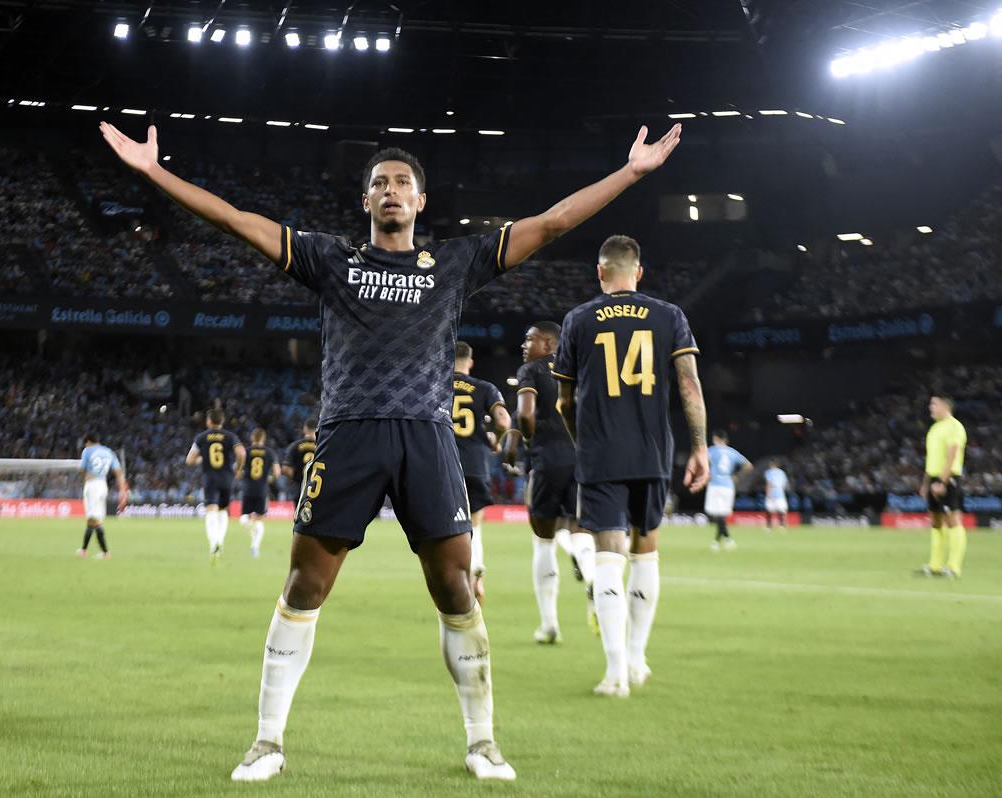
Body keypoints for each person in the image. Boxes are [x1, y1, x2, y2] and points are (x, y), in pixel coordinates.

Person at [100, 116, 681, 782]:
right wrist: (152, 172)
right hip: (347, 433)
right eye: (380, 183)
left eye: (404, 182)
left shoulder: (456, 264)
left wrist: (631, 173)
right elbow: (237, 220)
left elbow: (551, 222)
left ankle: (482, 740)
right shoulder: (331, 259)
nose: (392, 190)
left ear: (421, 201)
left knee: (457, 588)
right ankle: (266, 740)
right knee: (302, 584)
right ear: (367, 201)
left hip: (427, 436)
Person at [554, 234, 709, 697]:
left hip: (601, 455)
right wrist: (699, 446)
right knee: (646, 551)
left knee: (607, 558)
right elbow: (689, 386)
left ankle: (615, 671)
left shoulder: (579, 319)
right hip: (652, 452)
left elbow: (564, 401)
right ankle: (639, 658)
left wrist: (584, 440)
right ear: (638, 272)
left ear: (600, 272)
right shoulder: (669, 316)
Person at [506, 321, 593, 644]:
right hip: (583, 459)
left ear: (546, 342)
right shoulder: (582, 366)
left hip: (548, 457)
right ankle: (594, 579)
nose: (524, 346)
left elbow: (525, 415)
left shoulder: (532, 370)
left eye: (529, 339)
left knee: (543, 539)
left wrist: (528, 444)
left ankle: (549, 624)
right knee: (578, 528)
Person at [452, 340, 512, 602]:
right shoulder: (485, 387)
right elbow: (503, 420)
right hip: (476, 464)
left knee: (448, 527)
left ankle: (458, 579)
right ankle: (476, 567)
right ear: (471, 361)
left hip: (443, 463)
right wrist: (496, 441)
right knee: (475, 523)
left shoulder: (434, 386)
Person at [916, 395, 968, 578]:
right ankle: (935, 565)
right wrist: (925, 484)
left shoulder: (954, 426)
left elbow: (952, 455)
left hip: (948, 478)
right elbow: (932, 459)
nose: (930, 407)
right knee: (936, 522)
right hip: (933, 477)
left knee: (952, 520)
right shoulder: (934, 428)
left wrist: (942, 481)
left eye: (934, 404)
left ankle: (954, 567)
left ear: (945, 406)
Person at [186, 409, 246, 562]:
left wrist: (202, 459)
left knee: (211, 510)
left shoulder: (201, 437)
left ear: (208, 421)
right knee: (223, 510)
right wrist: (238, 469)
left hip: (210, 477)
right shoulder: (230, 436)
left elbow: (189, 460)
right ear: (222, 421)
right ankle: (220, 541)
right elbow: (241, 453)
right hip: (227, 477)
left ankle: (214, 545)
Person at [77, 434, 129, 560]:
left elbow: (81, 469)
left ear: (88, 442)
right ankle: (83, 550)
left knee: (94, 520)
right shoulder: (109, 452)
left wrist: (85, 473)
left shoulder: (87, 450)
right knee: (93, 519)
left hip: (92, 485)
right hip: (102, 485)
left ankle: (106, 552)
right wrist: (123, 491)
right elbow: (118, 472)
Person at [705, 431, 752, 551]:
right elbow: (748, 465)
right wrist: (737, 476)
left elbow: (704, 460)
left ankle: (728, 539)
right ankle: (717, 542)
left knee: (717, 515)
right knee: (721, 515)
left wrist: (707, 474)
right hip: (728, 485)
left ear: (715, 439)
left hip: (716, 484)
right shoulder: (732, 452)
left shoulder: (712, 450)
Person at [238, 428, 281, 559]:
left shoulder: (246, 452)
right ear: (263, 439)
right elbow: (277, 472)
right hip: (262, 490)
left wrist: (243, 476)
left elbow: (238, 471)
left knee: (245, 518)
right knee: (259, 520)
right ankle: (255, 547)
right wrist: (270, 478)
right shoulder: (270, 452)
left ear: (252, 438)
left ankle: (252, 537)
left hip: (247, 489)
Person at [281, 419, 318, 501]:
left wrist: (298, 479)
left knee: (299, 513)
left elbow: (285, 469)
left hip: (299, 490)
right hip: (317, 490)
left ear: (305, 429)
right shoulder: (322, 446)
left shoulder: (294, 446)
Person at [763, 459, 789, 532]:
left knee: (769, 510)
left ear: (772, 465)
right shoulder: (782, 473)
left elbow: (768, 483)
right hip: (780, 492)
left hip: (772, 491)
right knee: (782, 509)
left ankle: (769, 527)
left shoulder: (769, 472)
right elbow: (785, 483)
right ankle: (782, 526)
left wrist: (768, 493)